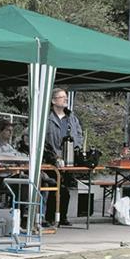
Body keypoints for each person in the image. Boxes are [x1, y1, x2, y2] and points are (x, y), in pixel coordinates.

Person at [43, 88, 83, 227]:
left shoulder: (72, 117)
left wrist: (76, 149)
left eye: (66, 97)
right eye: (62, 97)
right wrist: (53, 157)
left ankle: (63, 217)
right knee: (53, 187)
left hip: (69, 159)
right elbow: (43, 140)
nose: (65, 99)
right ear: (53, 101)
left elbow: (79, 134)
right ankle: (48, 217)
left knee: (66, 189)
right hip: (51, 159)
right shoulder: (47, 118)